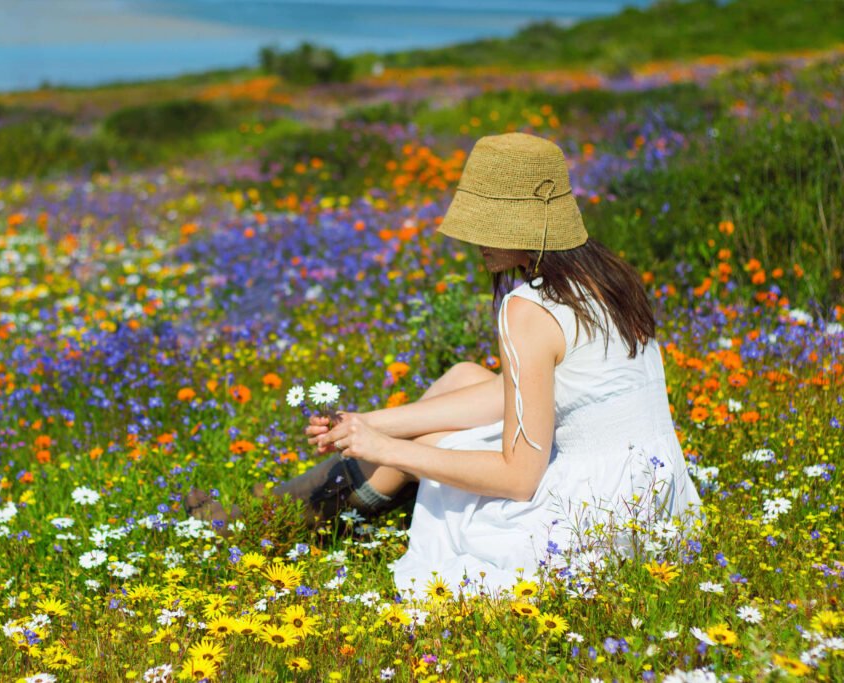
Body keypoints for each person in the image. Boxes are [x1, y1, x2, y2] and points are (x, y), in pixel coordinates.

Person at [190, 132, 703, 599]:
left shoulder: (528, 307)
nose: (471, 238)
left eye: (486, 223)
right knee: (463, 375)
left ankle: (265, 528)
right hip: (657, 503)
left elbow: (519, 478)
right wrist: (370, 422)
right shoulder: (608, 278)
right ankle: (277, 508)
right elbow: (513, 391)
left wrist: (389, 447)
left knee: (425, 445)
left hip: (590, 521)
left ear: (521, 224)